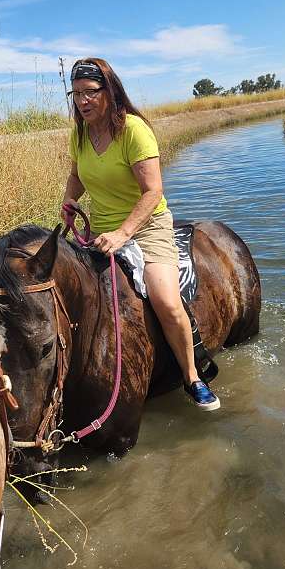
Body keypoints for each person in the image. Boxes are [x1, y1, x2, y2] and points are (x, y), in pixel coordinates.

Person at [60, 57, 220, 411]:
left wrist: (123, 233)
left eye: (90, 93)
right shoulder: (80, 133)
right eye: (76, 94)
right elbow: (77, 175)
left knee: (164, 299)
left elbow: (153, 192)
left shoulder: (133, 129)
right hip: (101, 230)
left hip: (146, 227)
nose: (82, 101)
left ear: (109, 92)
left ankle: (192, 375)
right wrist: (70, 199)